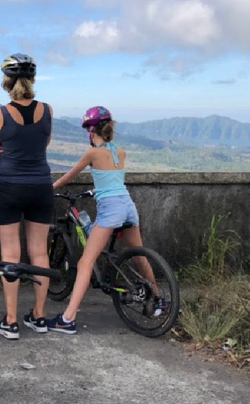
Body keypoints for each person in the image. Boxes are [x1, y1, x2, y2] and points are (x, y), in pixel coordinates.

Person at [45, 106, 161, 334]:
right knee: (139, 254)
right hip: (129, 206)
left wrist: (50, 189)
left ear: (90, 131)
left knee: (85, 263)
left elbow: (70, 176)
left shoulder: (92, 154)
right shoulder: (121, 151)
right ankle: (158, 299)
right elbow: (111, 181)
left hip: (111, 210)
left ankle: (67, 319)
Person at [0, 53, 54, 340]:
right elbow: (43, 145)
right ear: (33, 80)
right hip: (41, 186)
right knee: (39, 251)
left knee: (11, 253)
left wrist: (4, 150)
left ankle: (11, 321)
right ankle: (39, 316)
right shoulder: (48, 110)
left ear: (7, 82)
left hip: (9, 186)